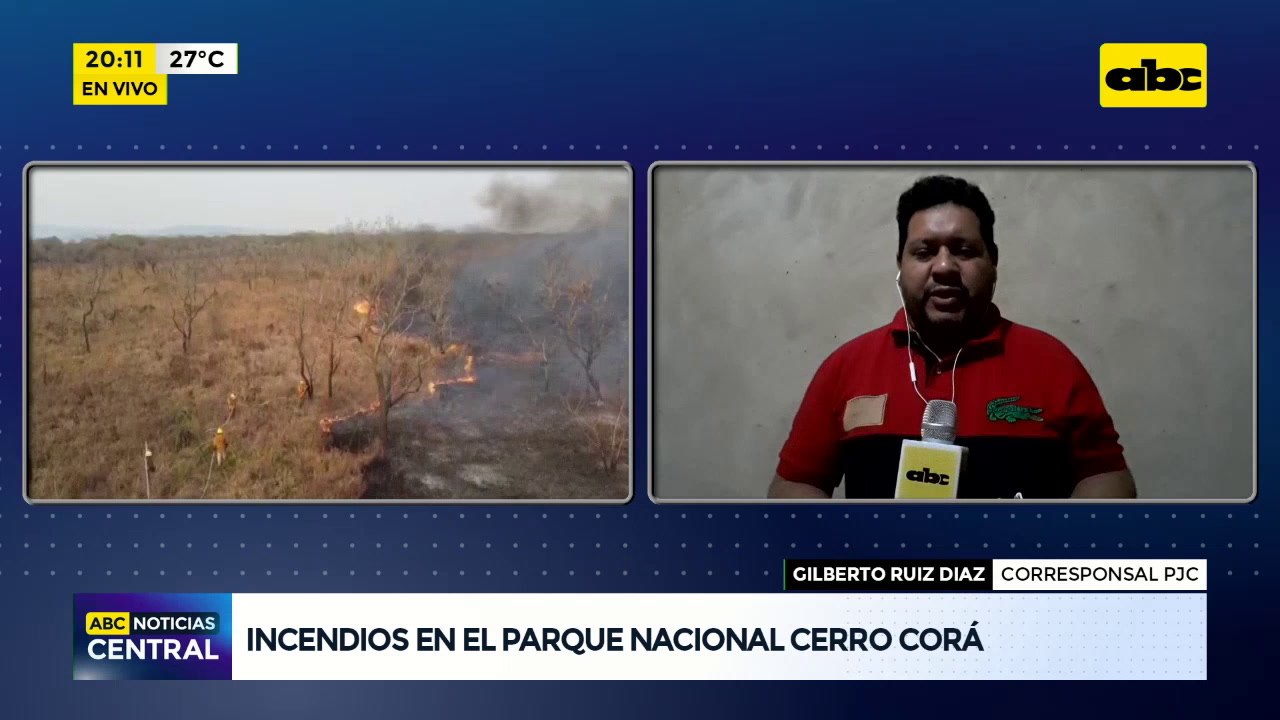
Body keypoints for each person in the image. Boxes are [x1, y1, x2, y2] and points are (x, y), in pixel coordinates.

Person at [768, 175, 1137, 500]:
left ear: (993, 262)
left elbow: (1106, 478)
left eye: (964, 250)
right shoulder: (846, 367)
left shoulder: (1053, 363)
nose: (944, 267)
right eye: (924, 252)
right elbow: (796, 484)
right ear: (900, 265)